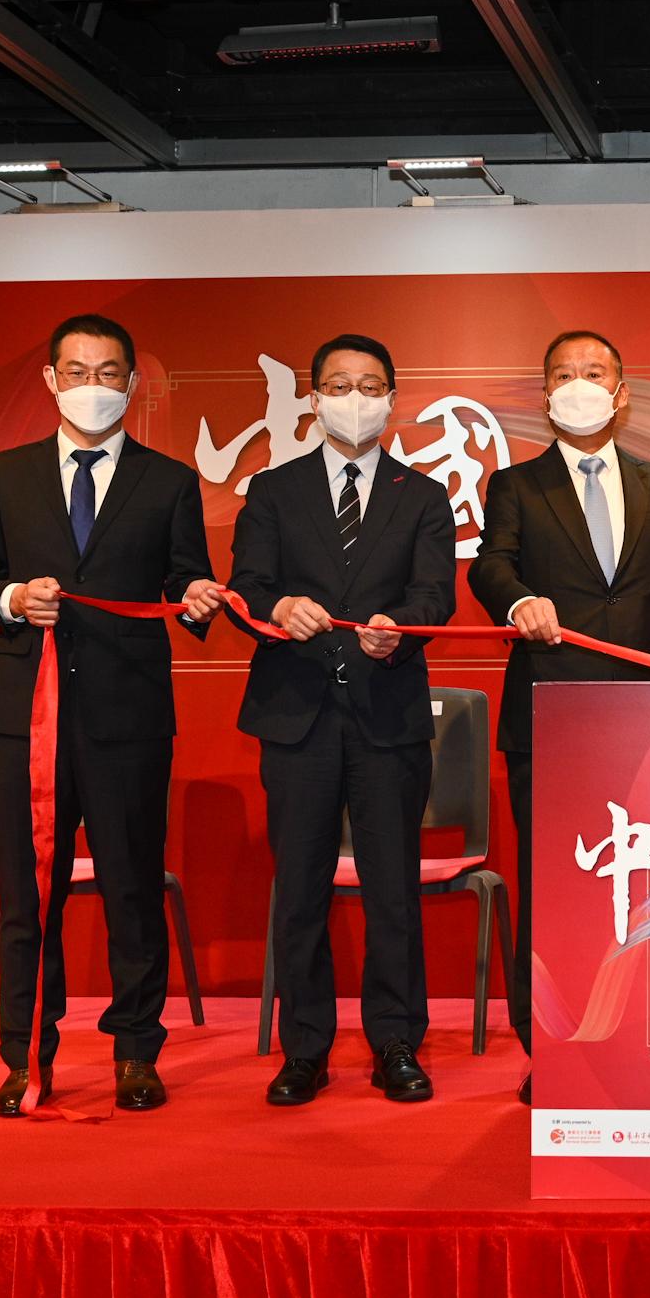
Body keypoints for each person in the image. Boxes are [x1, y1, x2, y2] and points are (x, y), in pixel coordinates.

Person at [0, 313, 223, 1117]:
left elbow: (187, 583)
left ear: (132, 385)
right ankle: (25, 1055)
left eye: (109, 373)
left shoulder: (168, 480)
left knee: (133, 889)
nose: (93, 386)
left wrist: (199, 601)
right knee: (29, 895)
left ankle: (137, 1052)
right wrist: (10, 598)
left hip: (127, 719)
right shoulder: (6, 474)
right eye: (77, 371)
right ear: (49, 380)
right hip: (24, 716)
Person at [468, 329, 650, 1105]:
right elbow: (491, 565)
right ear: (546, 396)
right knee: (555, 888)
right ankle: (552, 1048)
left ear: (621, 390)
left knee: (649, 890)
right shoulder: (516, 486)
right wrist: (516, 600)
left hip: (643, 721)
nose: (579, 385)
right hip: (552, 714)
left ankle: (646, 1034)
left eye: (594, 372)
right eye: (563, 375)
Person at [229, 334, 457, 1106]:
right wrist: (275, 606)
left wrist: (401, 626)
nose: (353, 399)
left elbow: (438, 597)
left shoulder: (422, 496)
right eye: (337, 384)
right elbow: (247, 586)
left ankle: (395, 1042)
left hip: (387, 715)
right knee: (300, 889)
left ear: (392, 397)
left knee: (392, 888)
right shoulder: (272, 491)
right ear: (313, 395)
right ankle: (305, 1049)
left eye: (369, 386)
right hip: (296, 717)